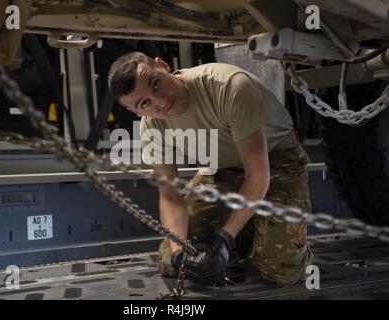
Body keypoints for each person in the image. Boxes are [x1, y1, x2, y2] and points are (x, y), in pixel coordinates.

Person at [107, 51, 313, 286]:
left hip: (277, 163)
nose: (160, 101)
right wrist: (178, 253)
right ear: (137, 112)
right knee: (172, 261)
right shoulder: (152, 127)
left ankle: (291, 250)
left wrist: (224, 238)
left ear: (162, 65)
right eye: (145, 103)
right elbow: (170, 196)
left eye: (155, 84)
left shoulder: (228, 86)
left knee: (280, 271)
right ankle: (249, 232)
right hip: (221, 170)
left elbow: (258, 174)